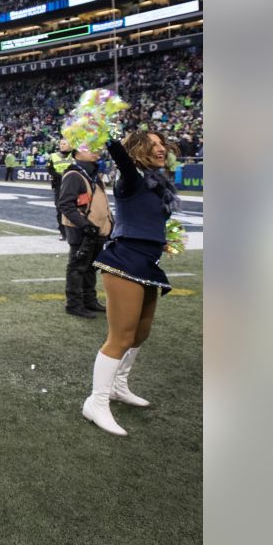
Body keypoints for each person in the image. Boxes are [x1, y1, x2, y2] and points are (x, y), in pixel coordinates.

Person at [82, 130, 180, 436]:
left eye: (162, 144)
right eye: (153, 145)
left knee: (141, 332)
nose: (161, 148)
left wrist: (163, 240)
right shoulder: (131, 179)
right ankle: (96, 403)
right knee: (120, 337)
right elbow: (122, 158)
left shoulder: (159, 184)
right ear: (138, 150)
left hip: (148, 264)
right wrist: (110, 135)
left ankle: (119, 386)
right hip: (124, 261)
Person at [57, 147, 113, 319]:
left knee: (90, 268)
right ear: (77, 154)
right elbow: (66, 205)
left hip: (96, 230)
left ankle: (90, 300)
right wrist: (85, 226)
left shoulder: (93, 175)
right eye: (88, 149)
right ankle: (74, 304)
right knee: (77, 268)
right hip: (82, 231)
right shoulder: (74, 175)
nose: (95, 151)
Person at [47, 139, 75, 239]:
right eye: (61, 144)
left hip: (73, 185)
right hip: (59, 185)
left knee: (74, 208)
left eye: (64, 144)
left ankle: (73, 231)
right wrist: (59, 176)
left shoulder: (75, 155)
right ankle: (63, 232)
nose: (62, 145)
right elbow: (50, 169)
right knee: (60, 209)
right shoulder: (53, 156)